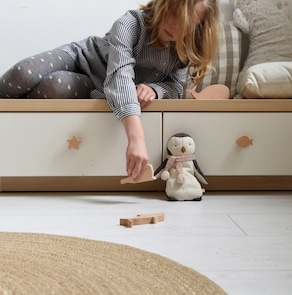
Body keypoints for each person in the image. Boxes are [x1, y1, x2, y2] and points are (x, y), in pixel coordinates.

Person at [0, 0, 219, 182]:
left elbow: (176, 89)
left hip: (95, 87)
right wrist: (136, 138)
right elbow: (120, 76)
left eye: (186, 22)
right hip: (82, 59)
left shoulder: (183, 49)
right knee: (23, 73)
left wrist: (155, 89)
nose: (173, 24)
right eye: (172, 13)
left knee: (54, 86)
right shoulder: (130, 23)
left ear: (198, 26)